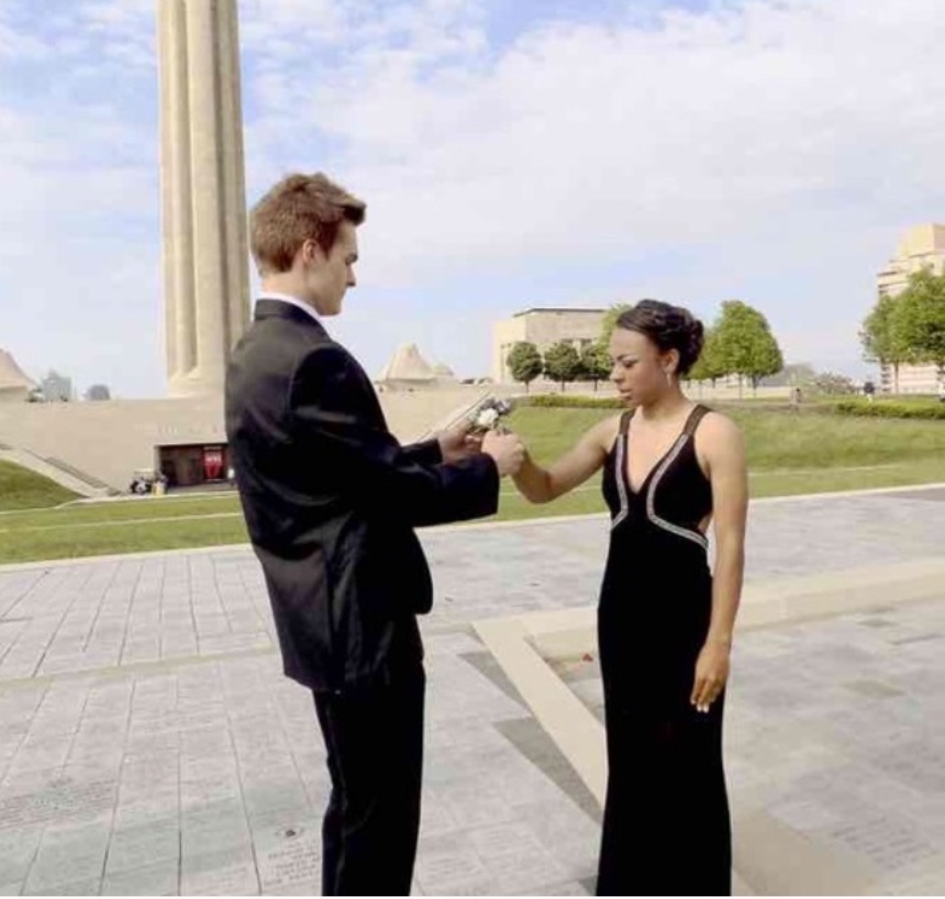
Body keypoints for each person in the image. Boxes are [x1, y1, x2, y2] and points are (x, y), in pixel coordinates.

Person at [224, 172, 524, 897]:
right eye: (349, 258)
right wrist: (489, 468)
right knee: (382, 822)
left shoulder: (253, 354)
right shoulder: (316, 358)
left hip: (319, 621)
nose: (354, 277)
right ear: (308, 250)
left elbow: (342, 480)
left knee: (357, 809)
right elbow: (388, 495)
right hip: (363, 626)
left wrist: (433, 450)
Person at [511, 299, 748, 896]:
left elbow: (733, 548)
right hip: (620, 622)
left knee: (689, 765)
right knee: (632, 764)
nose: (615, 374)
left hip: (687, 626)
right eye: (613, 363)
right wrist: (514, 460)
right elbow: (543, 489)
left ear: (668, 360)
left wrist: (718, 645)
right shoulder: (609, 431)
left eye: (626, 362)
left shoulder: (714, 433)